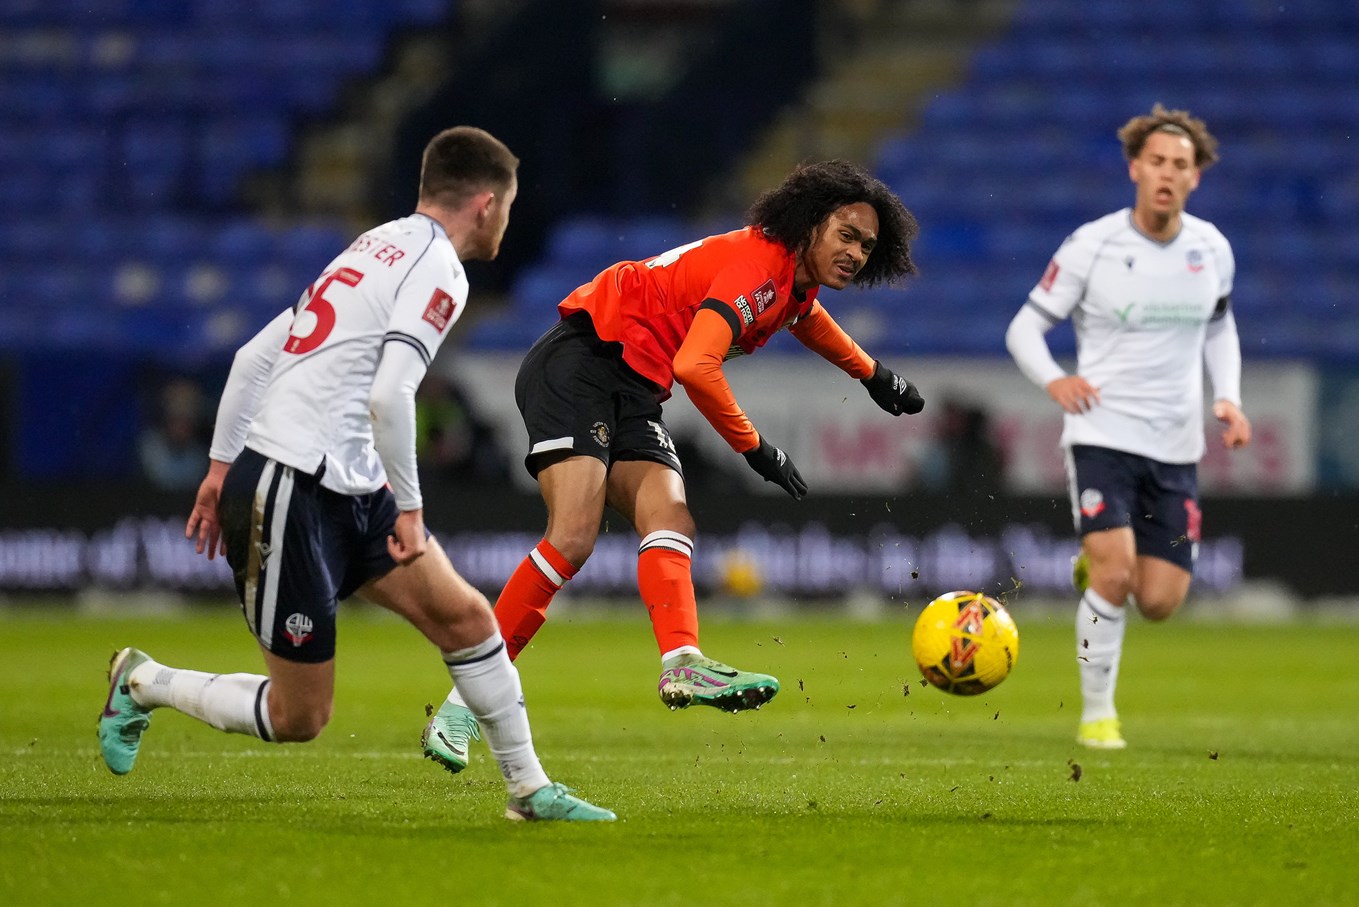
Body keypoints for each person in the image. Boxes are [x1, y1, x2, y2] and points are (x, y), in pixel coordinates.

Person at [97, 126, 614, 822]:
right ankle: (143, 680)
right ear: (487, 204)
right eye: (510, 208)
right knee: (299, 714)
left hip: (339, 477)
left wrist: (220, 465)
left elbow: (255, 355)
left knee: (464, 616)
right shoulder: (439, 268)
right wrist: (409, 505)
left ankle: (529, 790)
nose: (506, 222)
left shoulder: (375, 244)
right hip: (290, 483)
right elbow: (388, 394)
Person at [422, 159, 924, 773]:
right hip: (584, 359)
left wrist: (872, 375)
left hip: (635, 383)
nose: (856, 253)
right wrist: (754, 448)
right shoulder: (759, 267)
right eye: (846, 235)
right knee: (573, 537)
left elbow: (802, 315)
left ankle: (682, 661)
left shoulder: (792, 279)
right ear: (811, 225)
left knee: (671, 517)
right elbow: (696, 366)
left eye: (867, 246)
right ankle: (459, 707)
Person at [1004, 104, 1252, 750]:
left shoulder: (1211, 249)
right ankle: (1096, 715)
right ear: (1134, 168)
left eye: (1181, 165)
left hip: (1175, 444)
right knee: (1114, 576)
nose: (1167, 174)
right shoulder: (1093, 245)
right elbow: (1023, 327)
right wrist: (1055, 379)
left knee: (1160, 600)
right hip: (1101, 433)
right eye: (1157, 162)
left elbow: (1220, 326)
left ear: (1195, 177)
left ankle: (1093, 567)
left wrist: (1226, 397)